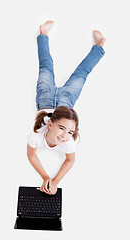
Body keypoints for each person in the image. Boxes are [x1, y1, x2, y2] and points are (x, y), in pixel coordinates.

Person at [27, 20, 106, 195]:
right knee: (81, 73)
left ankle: (43, 34)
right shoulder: (67, 142)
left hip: (45, 96)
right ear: (51, 124)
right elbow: (70, 161)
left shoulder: (36, 132)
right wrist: (50, 179)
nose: (64, 136)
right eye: (63, 129)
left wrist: (49, 179)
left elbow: (32, 155)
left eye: (69, 132)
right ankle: (99, 45)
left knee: (46, 66)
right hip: (67, 100)